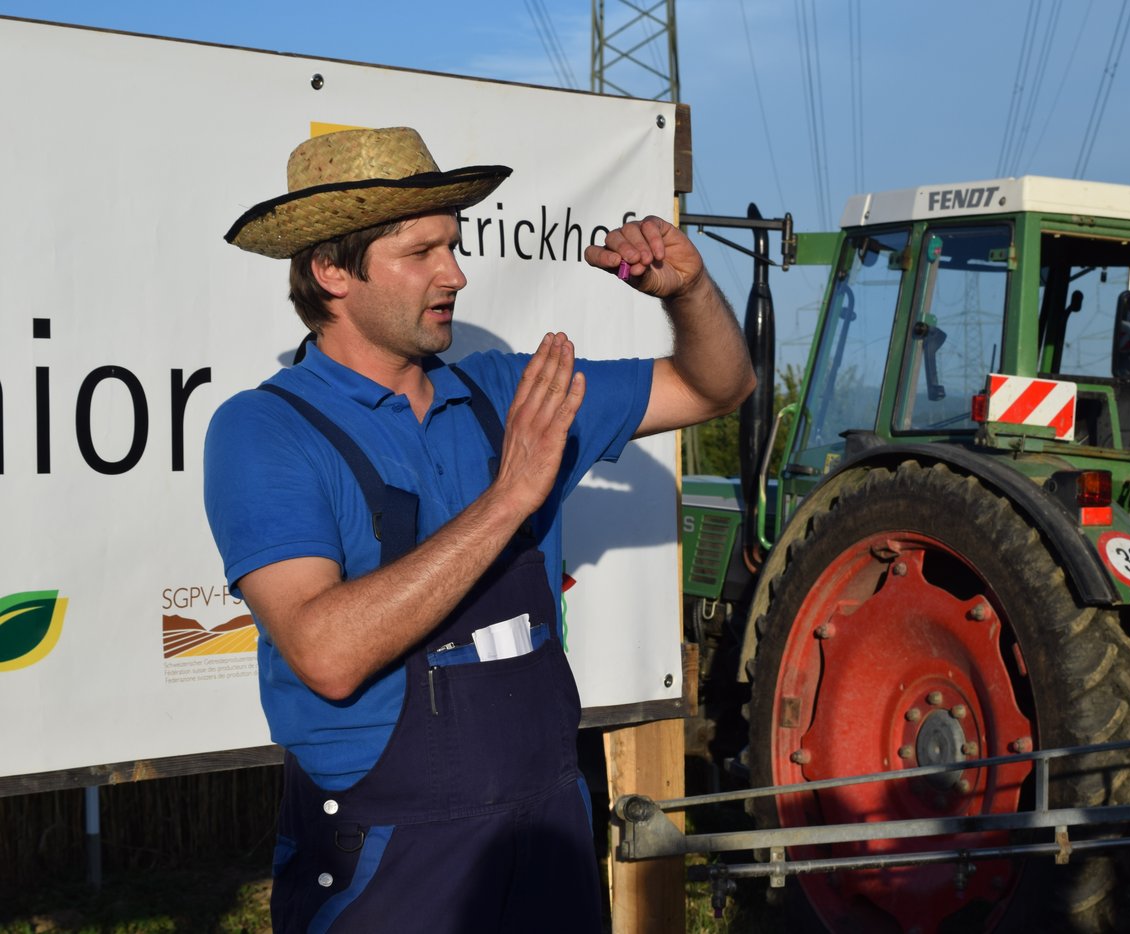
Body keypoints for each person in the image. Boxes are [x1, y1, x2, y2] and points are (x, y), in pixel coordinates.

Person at [204, 126, 754, 932]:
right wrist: (510, 495)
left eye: (453, 247)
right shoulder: (265, 431)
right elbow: (324, 653)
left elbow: (717, 386)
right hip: (387, 860)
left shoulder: (507, 392)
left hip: (546, 828)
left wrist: (689, 291)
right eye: (420, 252)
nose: (454, 274)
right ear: (330, 271)